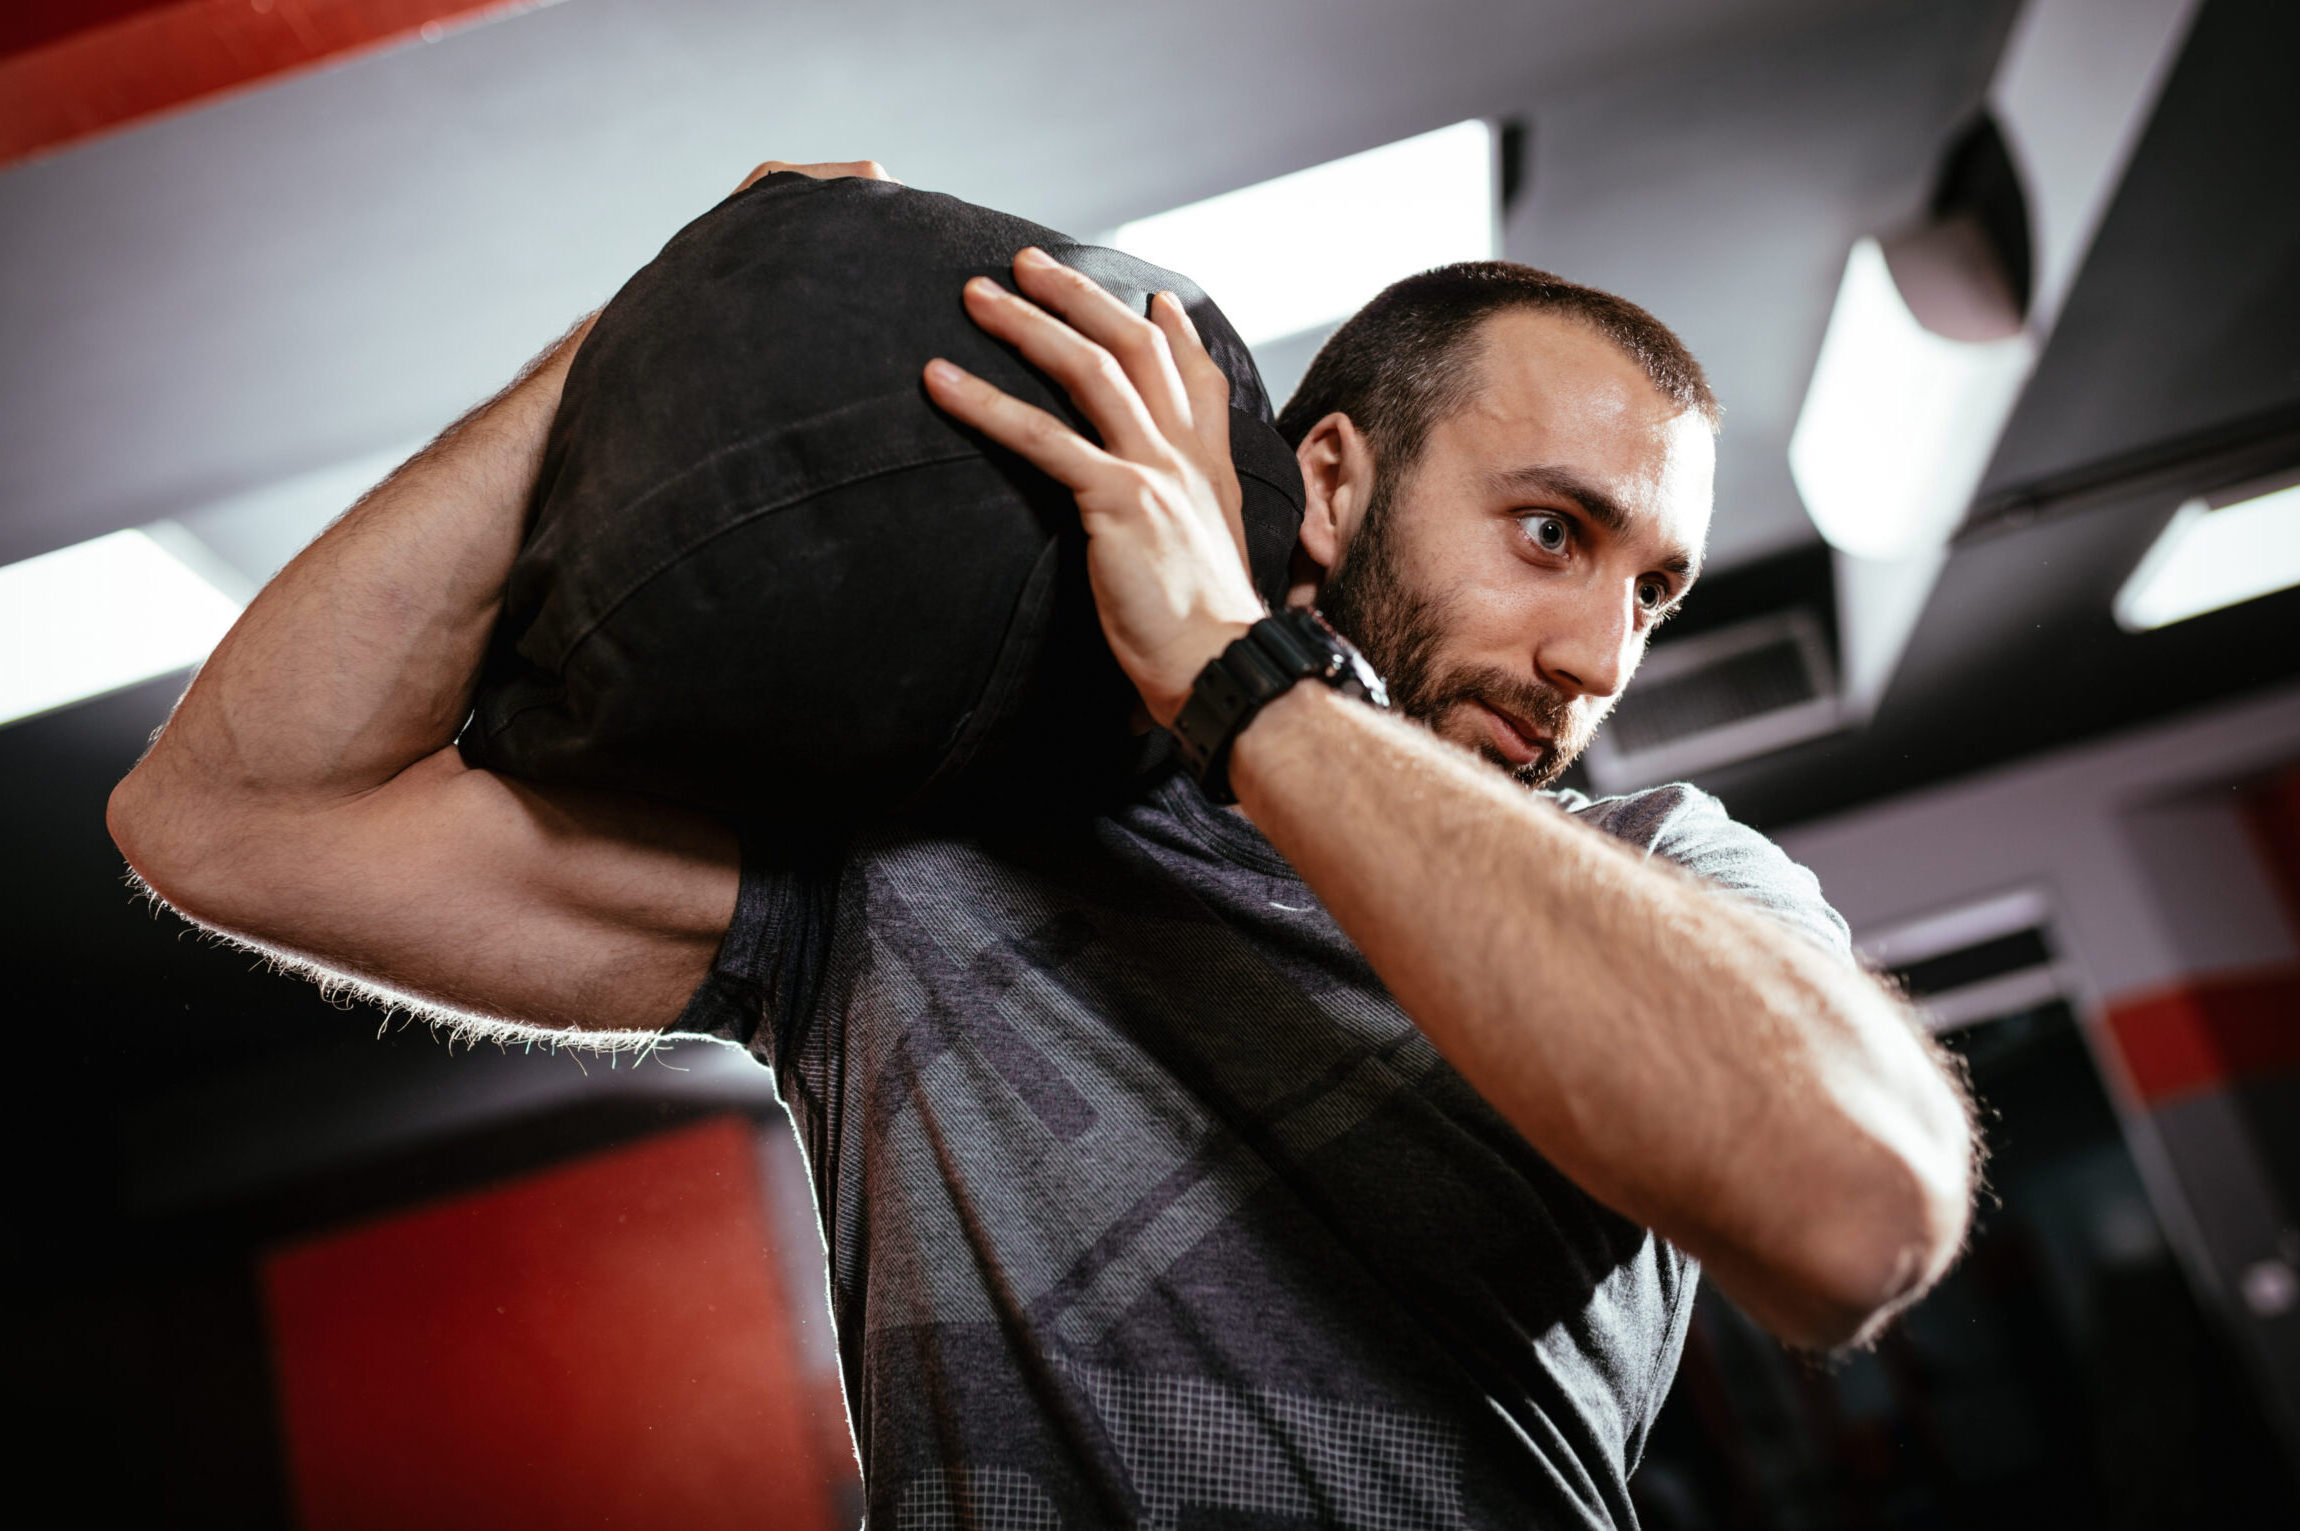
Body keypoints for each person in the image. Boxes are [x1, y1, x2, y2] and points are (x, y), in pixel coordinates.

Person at [109, 160, 1977, 1529]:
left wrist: (1239, 685)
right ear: (1329, 482)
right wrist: (643, 338)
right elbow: (228, 820)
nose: (1595, 655)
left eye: (1653, 591)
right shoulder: (921, 875)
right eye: (1551, 534)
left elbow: (1848, 1217)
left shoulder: (1676, 873)